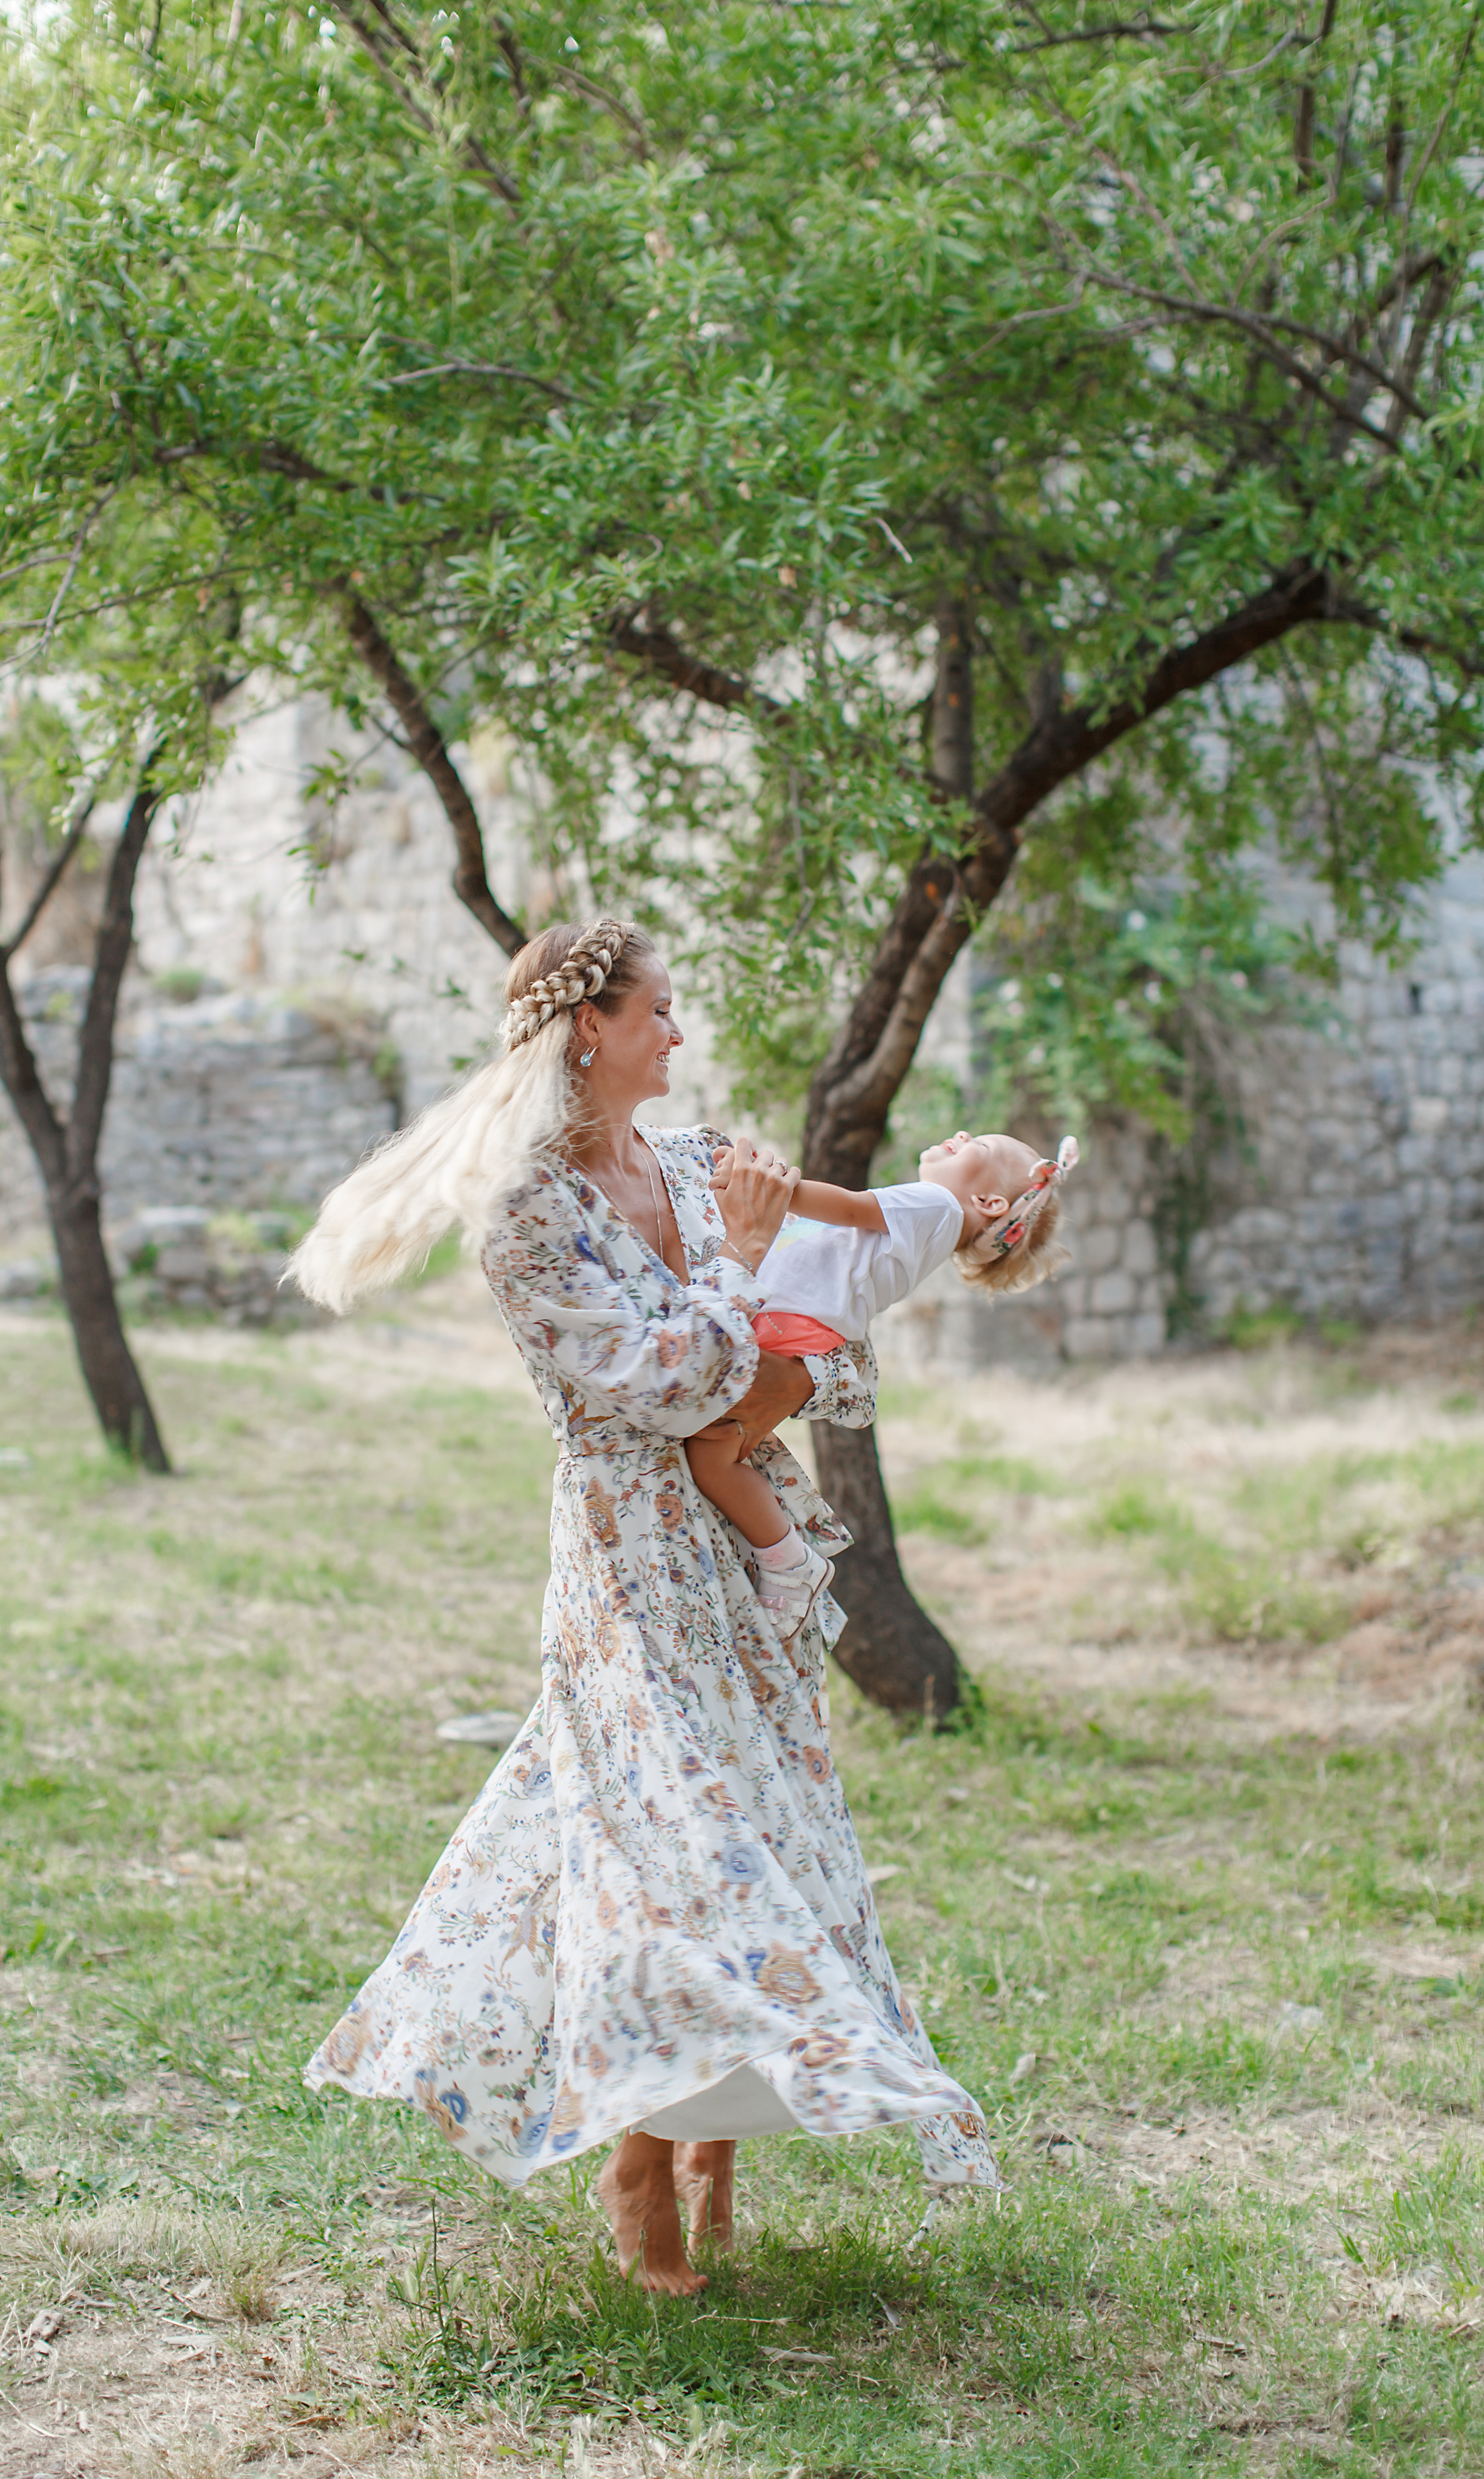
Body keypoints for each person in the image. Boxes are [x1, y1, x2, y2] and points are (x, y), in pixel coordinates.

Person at [288, 918, 999, 2298]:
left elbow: (806, 1329)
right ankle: (630, 2158)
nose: (678, 1034)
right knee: (652, 1838)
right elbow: (665, 1379)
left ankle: (712, 2157)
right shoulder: (526, 1217)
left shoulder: (683, 1162)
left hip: (741, 1545)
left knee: (757, 1827)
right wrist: (742, 1277)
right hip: (625, 1551)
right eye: (658, 1011)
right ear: (587, 1030)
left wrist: (856, 1275)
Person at [683, 1132, 1078, 1637]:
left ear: (989, 1202)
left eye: (978, 1143)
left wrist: (763, 1186)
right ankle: (776, 1551)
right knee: (720, 1448)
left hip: (790, 1325)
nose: (960, 1135)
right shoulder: (933, 1222)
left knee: (710, 1444)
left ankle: (786, 1558)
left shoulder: (936, 1205)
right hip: (802, 1327)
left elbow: (848, 1208)